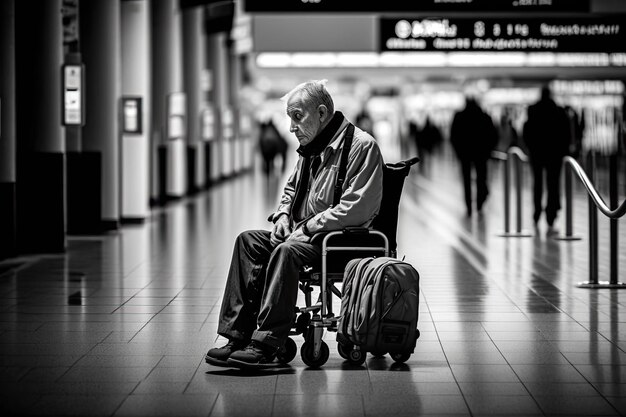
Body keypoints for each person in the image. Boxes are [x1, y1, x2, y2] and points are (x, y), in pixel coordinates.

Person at [204, 80, 384, 369]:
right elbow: (290, 190)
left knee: (286, 252)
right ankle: (237, 336)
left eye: (297, 117)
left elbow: (357, 208)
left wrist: (310, 227)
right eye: (290, 118)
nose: (291, 127)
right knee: (248, 241)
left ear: (322, 113)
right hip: (305, 235)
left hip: (335, 241)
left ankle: (265, 343)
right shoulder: (310, 149)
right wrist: (284, 216)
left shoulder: (362, 146)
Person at [523, 86, 571, 236]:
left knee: (537, 183)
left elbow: (527, 131)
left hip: (537, 153)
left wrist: (531, 147)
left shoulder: (533, 110)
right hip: (554, 154)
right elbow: (565, 133)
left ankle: (537, 212)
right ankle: (551, 214)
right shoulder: (558, 111)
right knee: (553, 183)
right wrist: (563, 151)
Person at [450, 95, 499, 217]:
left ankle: (469, 206)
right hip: (481, 153)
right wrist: (488, 150)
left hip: (465, 154)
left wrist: (458, 152)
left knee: (466, 180)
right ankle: (480, 202)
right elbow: (493, 135)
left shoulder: (459, 117)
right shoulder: (484, 116)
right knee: (481, 178)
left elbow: (454, 136)